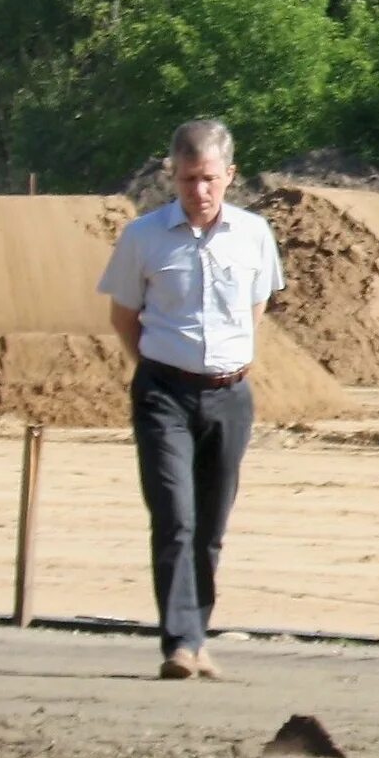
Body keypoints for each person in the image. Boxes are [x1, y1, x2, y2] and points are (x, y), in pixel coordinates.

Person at [98, 119, 283, 681]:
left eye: (207, 179)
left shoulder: (253, 234)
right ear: (170, 176)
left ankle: (198, 635)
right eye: (186, 180)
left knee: (210, 527)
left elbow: (256, 306)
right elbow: (123, 317)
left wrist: (230, 357)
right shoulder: (143, 237)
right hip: (163, 394)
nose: (197, 192)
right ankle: (179, 643)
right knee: (174, 518)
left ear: (230, 175)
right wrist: (158, 369)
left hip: (230, 398)